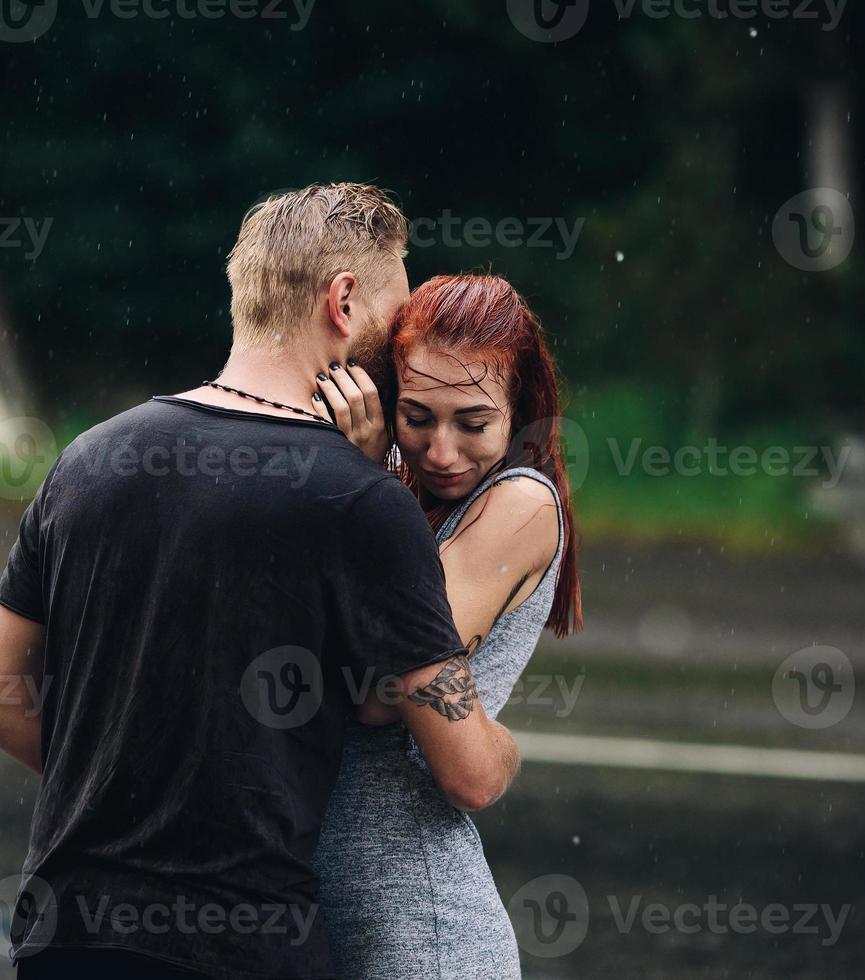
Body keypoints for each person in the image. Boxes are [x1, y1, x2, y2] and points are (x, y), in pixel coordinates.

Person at [0, 183, 524, 979]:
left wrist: (124, 787)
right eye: (395, 313)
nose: (403, 340)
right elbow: (468, 772)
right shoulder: (362, 502)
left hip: (68, 934)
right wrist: (506, 750)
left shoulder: (90, 459)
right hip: (241, 947)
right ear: (343, 300)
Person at [306, 273, 585, 978]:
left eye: (473, 422)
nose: (441, 452)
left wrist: (369, 481)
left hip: (420, 926)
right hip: (326, 912)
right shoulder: (403, 484)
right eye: (418, 416)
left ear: (520, 410)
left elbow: (380, 691)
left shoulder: (517, 503)